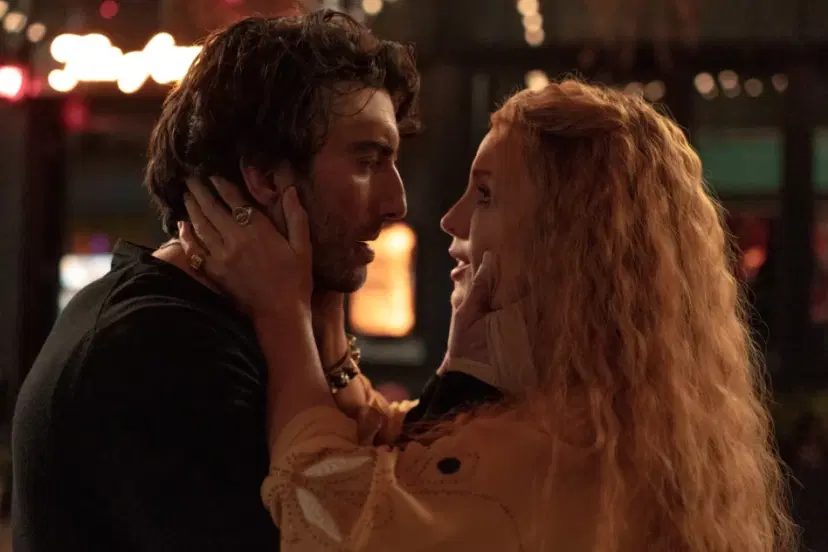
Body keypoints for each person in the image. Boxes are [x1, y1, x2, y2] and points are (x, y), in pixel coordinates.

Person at [178, 80, 795, 551]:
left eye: (487, 195)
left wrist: (282, 314)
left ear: (568, 240)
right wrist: (332, 323)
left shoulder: (563, 446)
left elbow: (330, 512)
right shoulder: (605, 408)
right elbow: (409, 460)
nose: (451, 220)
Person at [11, 10, 419, 552]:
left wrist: (317, 319)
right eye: (368, 161)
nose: (397, 202)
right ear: (265, 175)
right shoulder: (163, 351)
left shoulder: (208, 321)